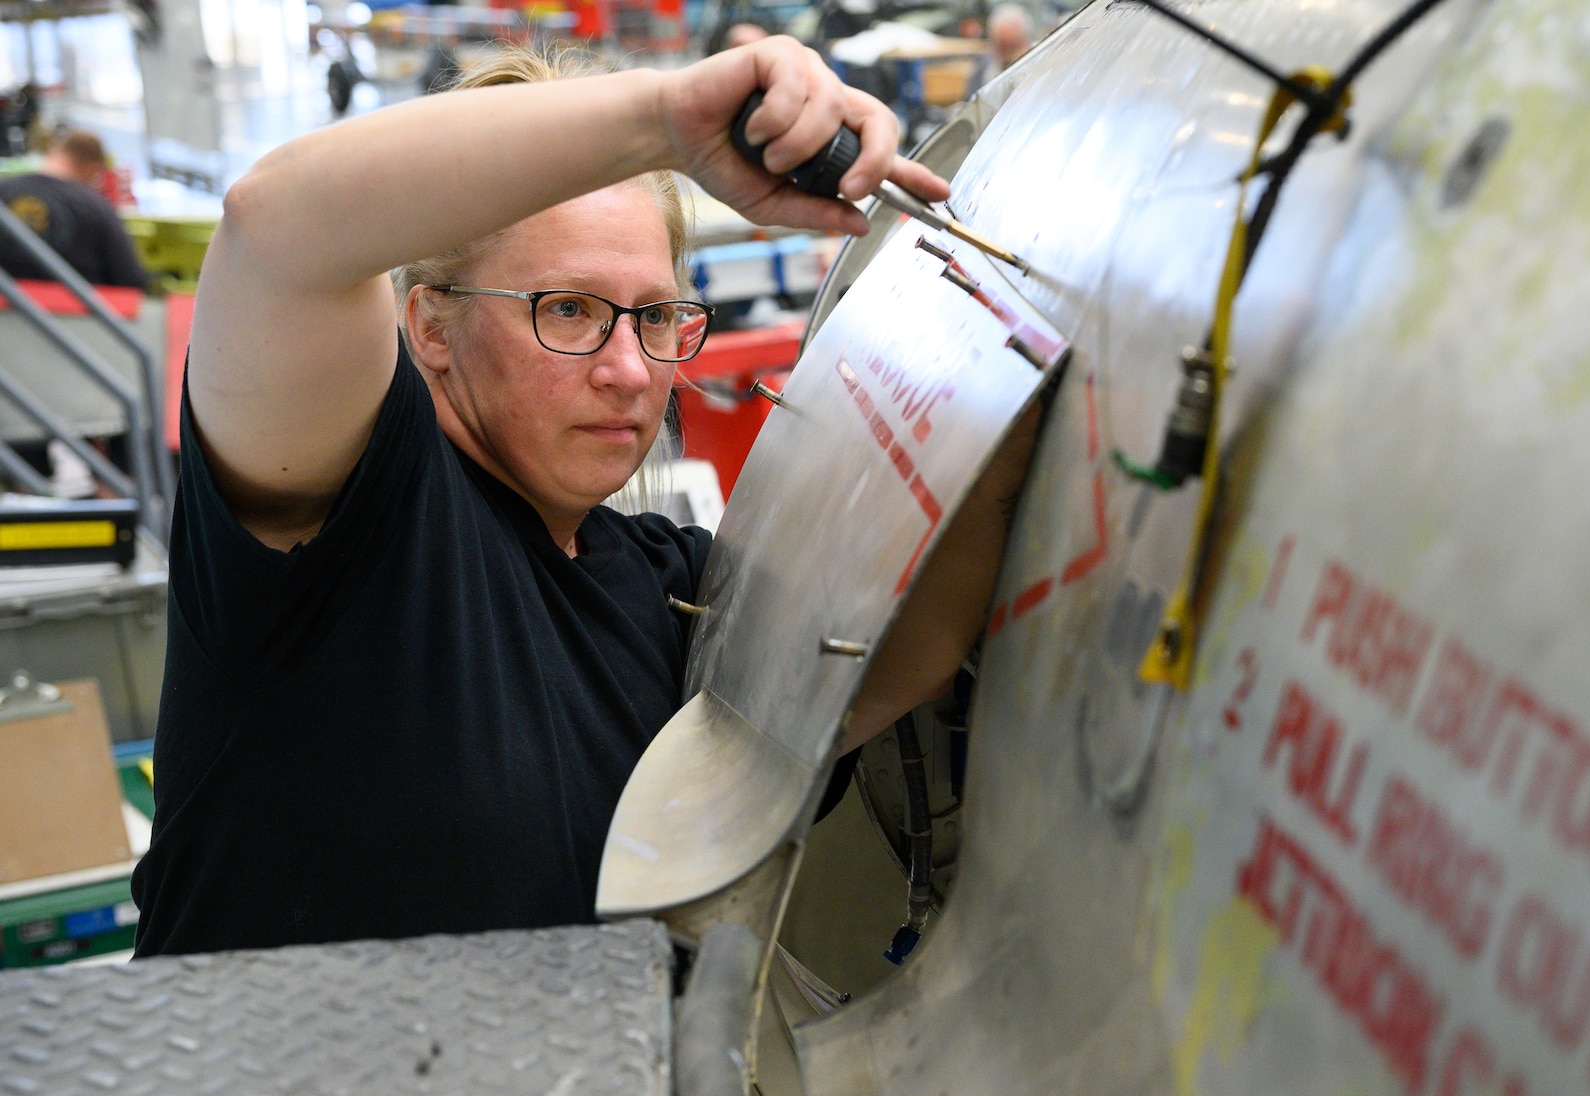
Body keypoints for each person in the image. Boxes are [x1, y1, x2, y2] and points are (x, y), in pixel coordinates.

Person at [131, 42, 1031, 955]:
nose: (631, 370)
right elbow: (276, 226)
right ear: (431, 325)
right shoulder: (357, 523)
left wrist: (1027, 383)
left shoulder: (662, 584)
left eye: (654, 316)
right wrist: (662, 121)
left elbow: (891, 649)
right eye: (568, 309)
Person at [0, 129, 152, 289]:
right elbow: (130, 279)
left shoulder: (3, 191)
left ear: (54, 152)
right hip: (77, 311)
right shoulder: (97, 209)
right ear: (92, 168)